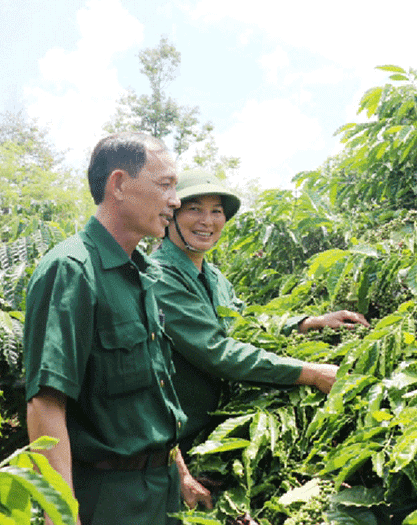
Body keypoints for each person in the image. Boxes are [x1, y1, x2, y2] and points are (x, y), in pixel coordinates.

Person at [150, 169, 369, 509]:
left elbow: (248, 323)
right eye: (194, 209)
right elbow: (219, 352)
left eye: (217, 211)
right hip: (174, 447)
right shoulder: (160, 277)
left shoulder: (213, 276)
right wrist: (311, 372)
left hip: (214, 433)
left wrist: (309, 323)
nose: (207, 221)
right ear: (171, 215)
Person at [24, 132, 188, 525]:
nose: (175, 201)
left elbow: (154, 394)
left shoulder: (142, 274)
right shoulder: (72, 270)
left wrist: (180, 473)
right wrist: (61, 515)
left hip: (161, 491)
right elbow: (46, 403)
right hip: (110, 500)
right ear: (119, 184)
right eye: (164, 184)